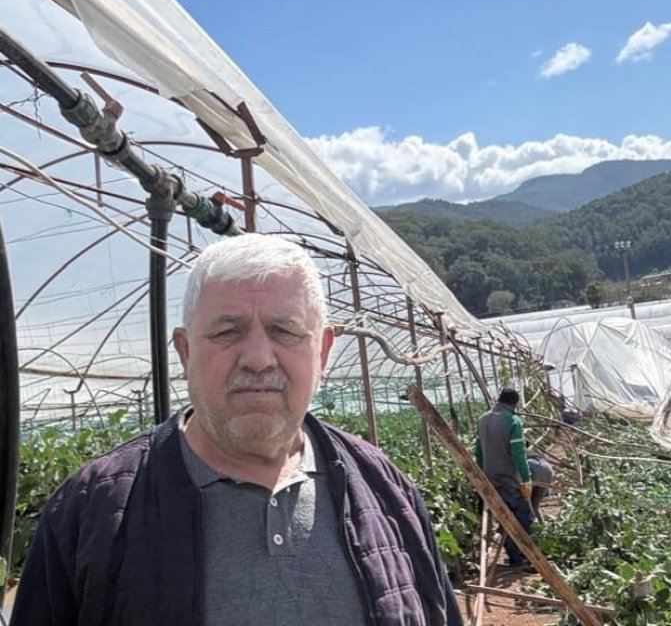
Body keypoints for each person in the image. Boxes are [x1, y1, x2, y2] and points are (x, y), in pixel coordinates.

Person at [12, 233, 463, 626]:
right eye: (228, 332)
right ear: (186, 352)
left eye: (285, 331)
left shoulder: (384, 488)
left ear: (322, 351)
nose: (258, 358)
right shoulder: (91, 510)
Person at [473, 389, 535, 570]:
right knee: (522, 517)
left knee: (503, 516)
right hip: (509, 478)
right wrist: (526, 478)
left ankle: (515, 556)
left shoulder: (482, 420)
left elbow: (478, 451)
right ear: (514, 403)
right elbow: (518, 454)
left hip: (490, 477)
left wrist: (482, 476)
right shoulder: (513, 421)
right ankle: (522, 556)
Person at [527, 454, 555, 523]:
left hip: (531, 466)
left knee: (525, 503)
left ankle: (528, 528)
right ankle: (542, 526)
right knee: (535, 505)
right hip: (547, 469)